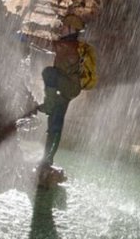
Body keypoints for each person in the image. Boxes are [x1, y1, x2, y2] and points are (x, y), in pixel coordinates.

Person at [37, 13, 96, 168]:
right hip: (67, 88)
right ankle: (47, 160)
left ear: (71, 29)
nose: (61, 28)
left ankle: (49, 104)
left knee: (49, 72)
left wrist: (22, 37)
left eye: (64, 26)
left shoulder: (68, 46)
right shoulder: (72, 45)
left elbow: (45, 44)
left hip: (67, 87)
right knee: (55, 124)